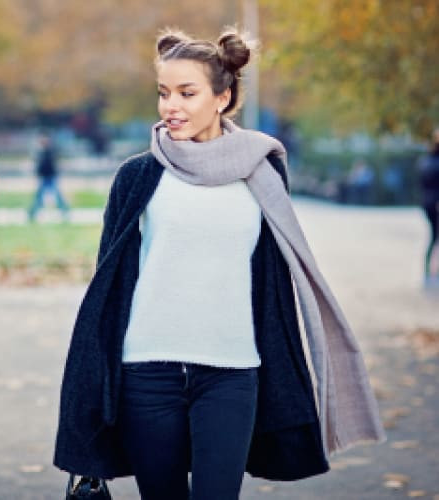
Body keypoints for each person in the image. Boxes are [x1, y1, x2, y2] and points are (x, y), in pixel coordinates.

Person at [54, 27, 384, 499]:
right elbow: (109, 287)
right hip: (147, 371)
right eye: (164, 93)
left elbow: (271, 282)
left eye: (187, 93)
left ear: (222, 98)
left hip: (232, 373)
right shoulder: (139, 176)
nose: (172, 106)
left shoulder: (261, 172)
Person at [28, 133, 69, 221]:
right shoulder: (40, 152)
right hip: (44, 178)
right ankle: (32, 212)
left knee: (57, 196)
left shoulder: (51, 151)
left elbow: (53, 164)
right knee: (39, 197)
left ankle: (65, 211)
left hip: (51, 177)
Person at [418, 127, 439, 287]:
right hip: (435, 204)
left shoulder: (425, 161)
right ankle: (430, 274)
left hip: (428, 203)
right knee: (434, 238)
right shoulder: (432, 163)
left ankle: (428, 274)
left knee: (433, 238)